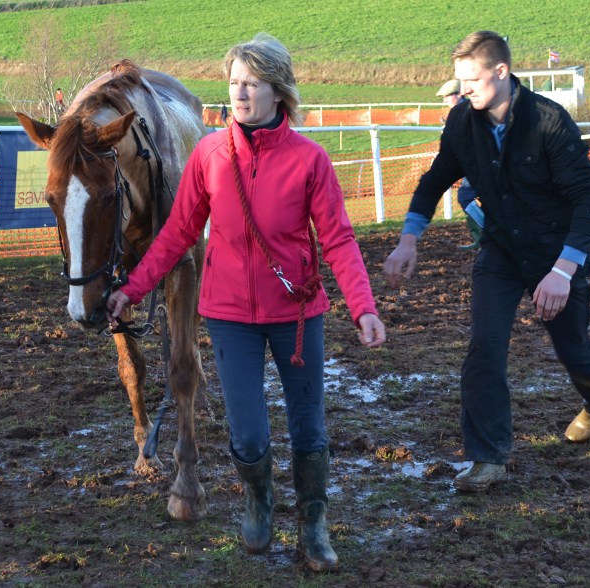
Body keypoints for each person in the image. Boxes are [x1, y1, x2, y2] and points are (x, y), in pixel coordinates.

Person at [106, 33, 386, 572]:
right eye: (235, 82)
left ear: (278, 91)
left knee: (309, 429)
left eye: (252, 83)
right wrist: (132, 288)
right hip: (229, 316)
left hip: (297, 316)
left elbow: (338, 239)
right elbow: (176, 233)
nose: (240, 92)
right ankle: (259, 498)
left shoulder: (310, 160)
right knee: (249, 433)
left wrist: (363, 307)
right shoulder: (210, 155)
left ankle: (313, 522)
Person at [383, 31, 590, 493]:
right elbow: (435, 179)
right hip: (500, 250)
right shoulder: (462, 121)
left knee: (572, 347)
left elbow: (589, 197)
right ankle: (487, 458)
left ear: (501, 71)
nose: (464, 90)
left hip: (555, 252)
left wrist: (562, 271)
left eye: (472, 80)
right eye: (459, 81)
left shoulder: (549, 121)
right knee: (484, 346)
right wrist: (409, 239)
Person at [436, 79, 482, 250]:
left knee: (464, 196)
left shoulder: (468, 111)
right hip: (475, 164)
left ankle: (488, 235)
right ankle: (483, 237)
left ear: (458, 95)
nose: (445, 100)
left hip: (480, 165)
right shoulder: (464, 112)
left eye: (447, 96)